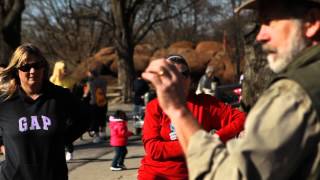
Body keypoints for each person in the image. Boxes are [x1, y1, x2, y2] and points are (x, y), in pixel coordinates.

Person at [142, 0, 320, 179]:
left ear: (311, 21)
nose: (260, 36)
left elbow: (233, 175)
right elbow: (153, 149)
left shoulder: (293, 93)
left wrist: (178, 111)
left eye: (269, 21)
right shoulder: (154, 107)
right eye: (260, 23)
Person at [138, 55, 246, 179]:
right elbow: (154, 149)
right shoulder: (155, 106)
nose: (178, 79)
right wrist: (197, 145)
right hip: (157, 174)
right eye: (172, 74)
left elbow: (242, 119)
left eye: (183, 74)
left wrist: (216, 138)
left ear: (190, 79)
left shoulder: (206, 104)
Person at [0, 43, 92, 180]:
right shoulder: (5, 101)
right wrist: (3, 144)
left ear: (43, 68)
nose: (32, 71)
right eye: (25, 67)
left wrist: (64, 138)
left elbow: (86, 117)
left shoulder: (59, 96)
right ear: (16, 70)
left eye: (36, 66)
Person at [49, 60, 75, 161]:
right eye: (63, 68)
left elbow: (73, 95)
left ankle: (69, 150)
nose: (65, 70)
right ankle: (58, 152)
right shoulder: (52, 80)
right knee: (55, 132)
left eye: (66, 68)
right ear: (58, 69)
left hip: (68, 110)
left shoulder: (70, 80)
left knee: (66, 131)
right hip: (55, 110)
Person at [83, 69, 108, 143]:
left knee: (95, 120)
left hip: (94, 103)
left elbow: (86, 94)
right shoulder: (103, 81)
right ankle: (103, 133)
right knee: (102, 118)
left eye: (89, 74)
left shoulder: (90, 83)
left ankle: (97, 137)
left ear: (91, 74)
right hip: (103, 102)